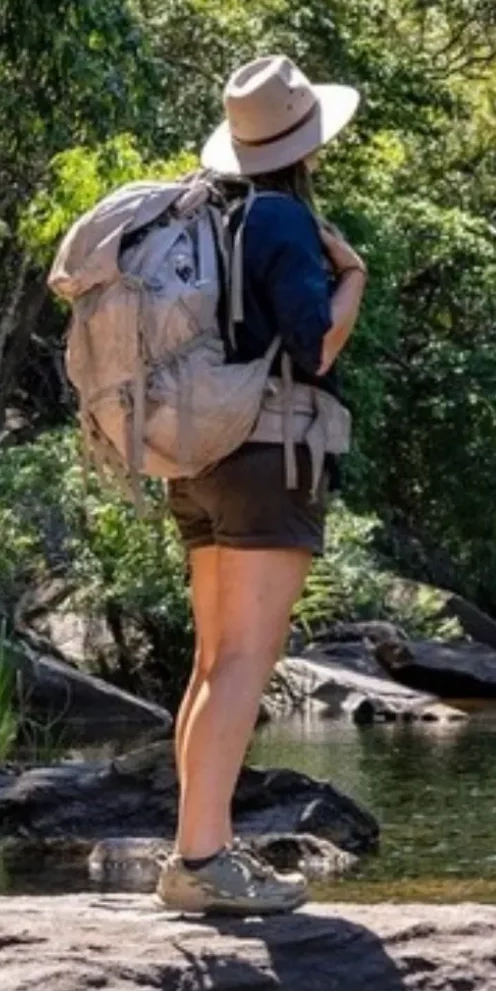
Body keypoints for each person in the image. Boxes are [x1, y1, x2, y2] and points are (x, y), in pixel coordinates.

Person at [153, 54, 367, 914]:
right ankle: (203, 862)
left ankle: (196, 848)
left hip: (196, 459)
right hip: (266, 457)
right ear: (304, 146)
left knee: (212, 661)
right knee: (245, 660)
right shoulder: (282, 223)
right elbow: (316, 350)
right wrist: (352, 279)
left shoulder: (207, 212)